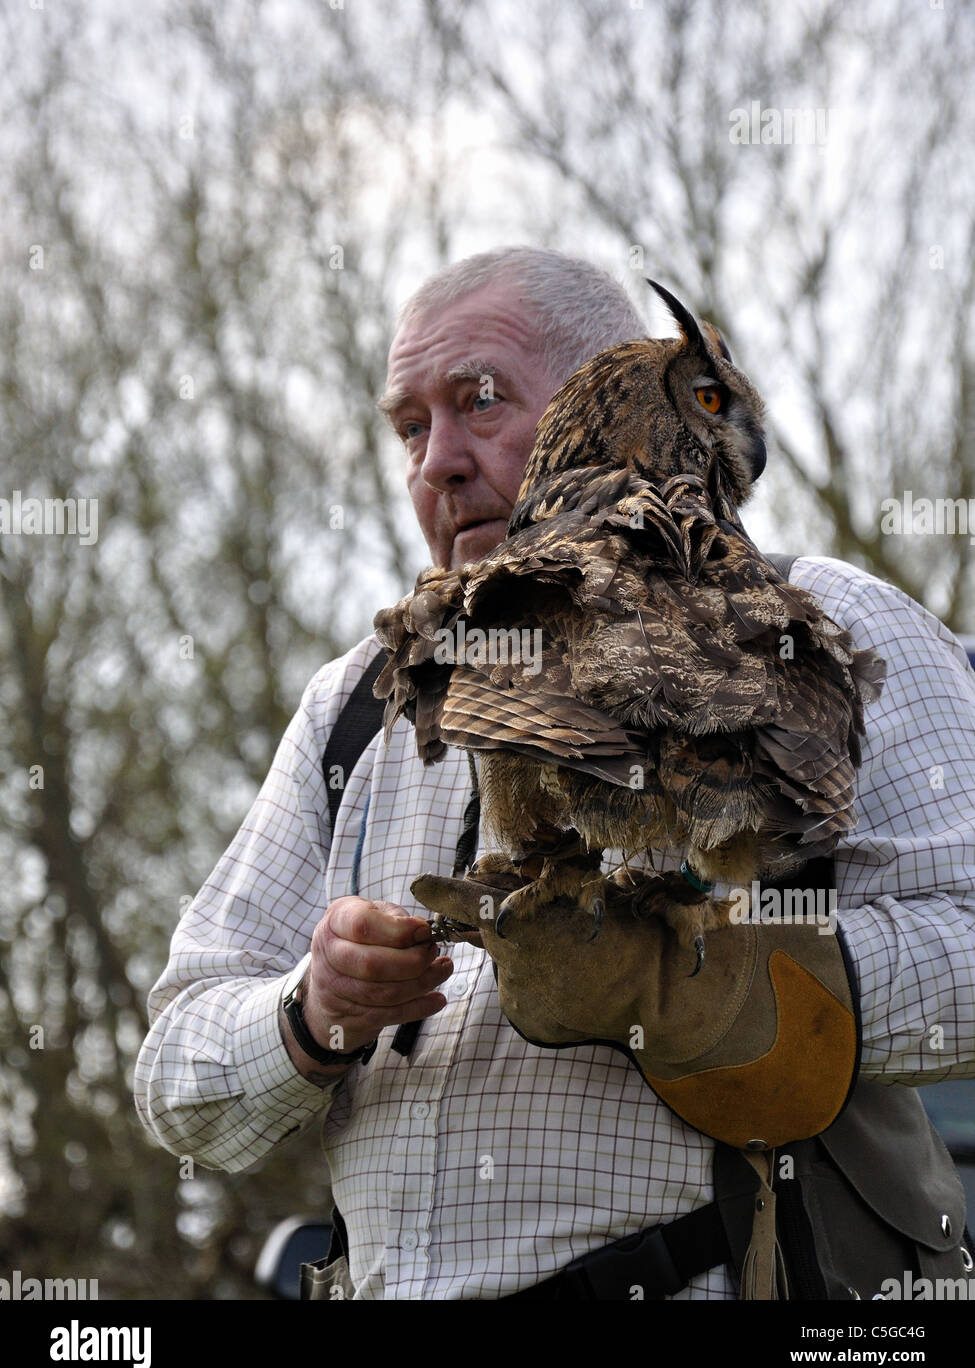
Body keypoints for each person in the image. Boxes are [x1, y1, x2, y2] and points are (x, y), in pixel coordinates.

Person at [134, 247, 975, 1300]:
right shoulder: (361, 702)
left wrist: (702, 971)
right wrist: (311, 1013)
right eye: (408, 426)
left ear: (605, 394)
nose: (436, 460)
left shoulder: (812, 621)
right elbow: (175, 1073)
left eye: (478, 402)